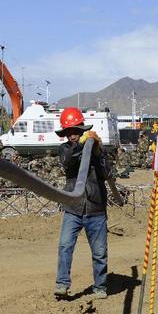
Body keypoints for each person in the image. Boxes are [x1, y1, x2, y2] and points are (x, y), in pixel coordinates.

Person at [54, 107, 109, 300]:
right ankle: (62, 284)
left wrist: (98, 152)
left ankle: (100, 286)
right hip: (73, 208)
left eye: (76, 131)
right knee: (65, 246)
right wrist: (82, 147)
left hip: (96, 208)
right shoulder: (65, 150)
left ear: (82, 130)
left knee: (100, 252)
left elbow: (107, 174)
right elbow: (68, 162)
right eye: (69, 132)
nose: (72, 136)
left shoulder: (96, 150)